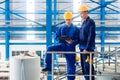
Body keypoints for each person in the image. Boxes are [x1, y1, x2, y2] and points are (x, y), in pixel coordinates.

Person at [42, 11, 79, 80]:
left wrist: (72, 42)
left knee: (71, 64)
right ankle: (48, 66)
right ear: (65, 20)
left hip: (70, 48)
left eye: (69, 19)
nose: (68, 21)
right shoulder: (61, 28)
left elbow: (78, 39)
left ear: (72, 19)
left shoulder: (76, 29)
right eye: (67, 20)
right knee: (50, 48)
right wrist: (59, 40)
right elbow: (56, 37)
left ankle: (71, 79)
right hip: (61, 45)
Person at [78, 4, 96, 80]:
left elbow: (91, 35)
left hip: (87, 49)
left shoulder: (90, 22)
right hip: (82, 48)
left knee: (88, 65)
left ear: (86, 13)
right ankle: (86, 79)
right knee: (83, 66)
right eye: (80, 13)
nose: (81, 15)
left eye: (82, 13)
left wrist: (87, 48)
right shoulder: (83, 23)